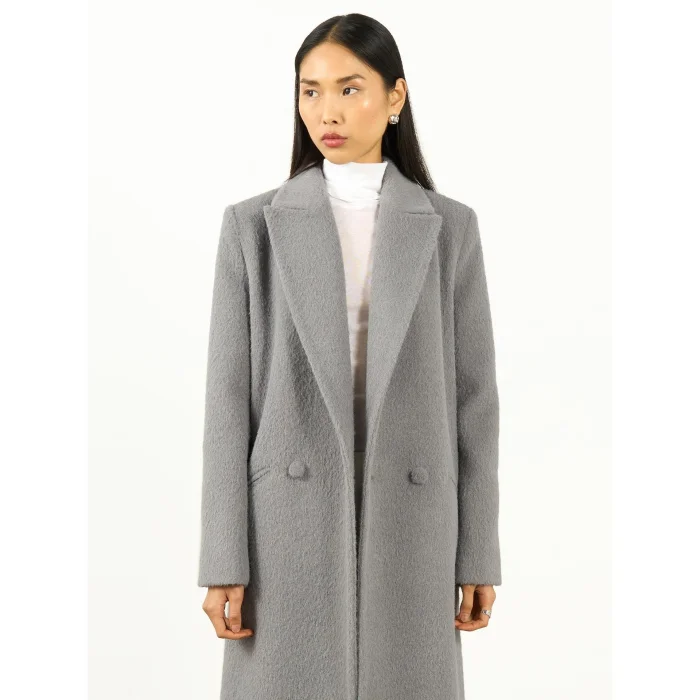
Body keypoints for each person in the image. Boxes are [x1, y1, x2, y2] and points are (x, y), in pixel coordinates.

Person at [198, 13, 501, 700]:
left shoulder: (450, 228)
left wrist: (478, 549)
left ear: (395, 96)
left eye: (349, 88)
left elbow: (475, 402)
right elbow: (226, 404)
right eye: (310, 91)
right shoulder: (251, 227)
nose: (326, 111)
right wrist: (222, 557)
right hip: (286, 522)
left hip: (414, 514)